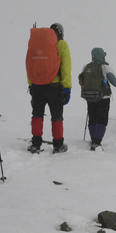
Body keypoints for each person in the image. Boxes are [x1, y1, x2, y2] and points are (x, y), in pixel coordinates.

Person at [28, 23, 72, 153]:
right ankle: (58, 145)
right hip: (54, 87)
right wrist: (67, 87)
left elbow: (30, 65)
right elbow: (66, 67)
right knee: (56, 116)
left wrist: (31, 83)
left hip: (37, 86)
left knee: (37, 114)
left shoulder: (36, 45)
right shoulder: (61, 45)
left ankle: (36, 144)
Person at [78, 47, 116, 150]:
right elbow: (114, 82)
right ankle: (97, 141)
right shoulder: (105, 67)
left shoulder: (86, 67)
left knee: (92, 118)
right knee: (102, 119)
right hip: (103, 98)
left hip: (89, 97)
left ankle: (93, 138)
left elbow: (81, 81)